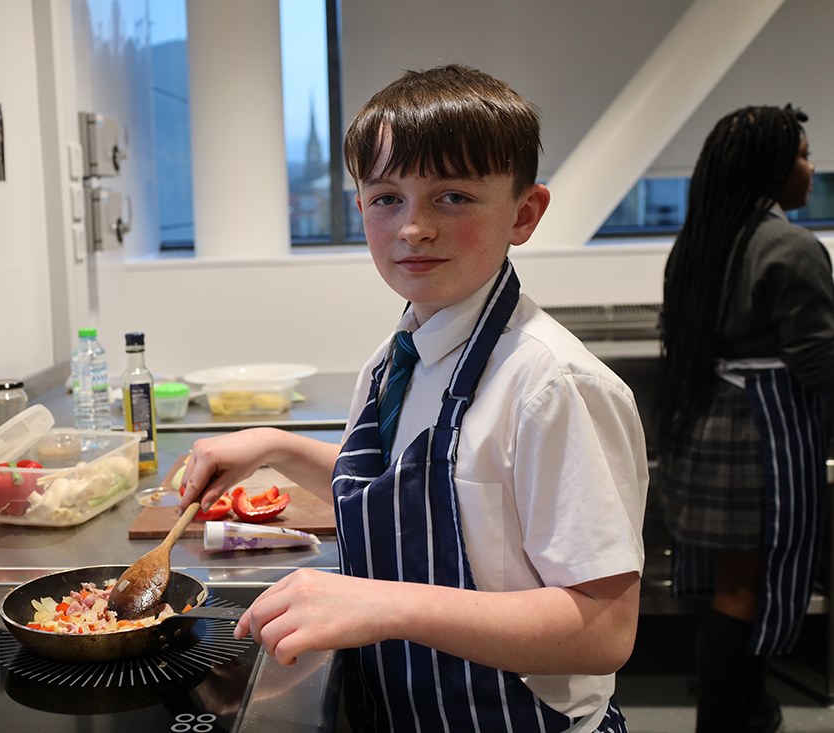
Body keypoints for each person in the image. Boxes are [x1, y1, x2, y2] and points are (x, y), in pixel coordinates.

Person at [180, 64, 648, 732]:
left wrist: (383, 604)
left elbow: (602, 628)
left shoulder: (550, 384)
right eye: (386, 198)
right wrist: (277, 448)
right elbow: (415, 485)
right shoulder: (401, 351)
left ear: (524, 213)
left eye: (452, 197)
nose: (413, 228)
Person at [658, 104, 829, 733]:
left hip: (705, 426)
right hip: (763, 435)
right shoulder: (789, 245)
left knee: (735, 587)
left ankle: (752, 708)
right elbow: (818, 360)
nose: (812, 171)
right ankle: (727, 722)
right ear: (772, 169)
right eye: (804, 156)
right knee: (744, 591)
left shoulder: (701, 240)